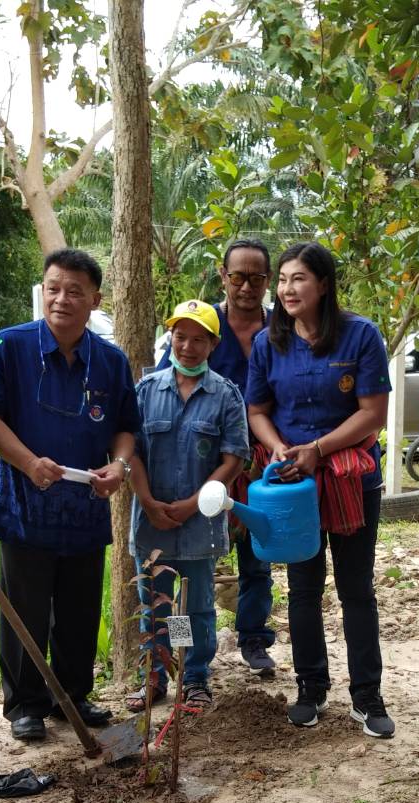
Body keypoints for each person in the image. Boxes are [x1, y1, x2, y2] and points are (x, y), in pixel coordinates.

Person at [0, 249, 139, 740]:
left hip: (86, 509)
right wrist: (28, 463)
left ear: (95, 300)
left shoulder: (110, 362)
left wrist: (119, 466)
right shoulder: (8, 346)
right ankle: (25, 704)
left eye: (74, 291)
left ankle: (73, 696)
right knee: (23, 610)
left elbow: (126, 428)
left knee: (79, 609)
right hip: (26, 508)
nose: (61, 299)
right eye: (53, 288)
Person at [246, 242, 394, 737]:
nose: (287, 289)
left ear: (324, 284)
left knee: (356, 589)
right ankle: (311, 687)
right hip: (293, 484)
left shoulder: (361, 335)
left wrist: (318, 448)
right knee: (303, 589)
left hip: (352, 478)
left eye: (299, 279)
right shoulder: (268, 342)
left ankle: (367, 696)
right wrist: (280, 449)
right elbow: (257, 411)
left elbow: (373, 413)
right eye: (282, 279)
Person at [156, 240, 277, 675]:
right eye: (237, 276)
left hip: (258, 461)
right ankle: (169, 664)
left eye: (256, 278)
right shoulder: (199, 325)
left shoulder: (280, 329)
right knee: (179, 583)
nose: (246, 286)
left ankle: (249, 639)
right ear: (223, 276)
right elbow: (161, 392)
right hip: (196, 469)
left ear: (268, 281)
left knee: (255, 557)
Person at [128, 299, 250, 711]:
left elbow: (233, 459)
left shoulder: (226, 396)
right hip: (152, 524)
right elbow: (130, 453)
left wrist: (192, 505)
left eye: (199, 339)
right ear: (171, 339)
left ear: (213, 344)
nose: (188, 347)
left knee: (193, 607)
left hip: (199, 526)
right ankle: (154, 676)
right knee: (155, 605)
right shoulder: (146, 391)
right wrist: (148, 501)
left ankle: (192, 677)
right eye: (180, 337)